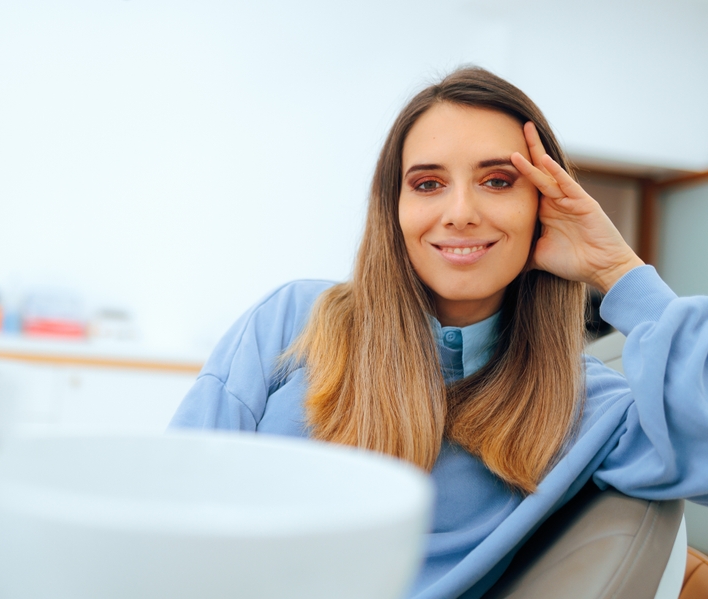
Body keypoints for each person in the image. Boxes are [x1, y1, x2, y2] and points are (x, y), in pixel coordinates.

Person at [169, 67, 708, 599]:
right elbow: (173, 493)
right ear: (395, 209)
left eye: (498, 181)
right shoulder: (293, 321)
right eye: (428, 184)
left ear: (542, 206)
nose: (460, 213)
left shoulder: (592, 408)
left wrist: (618, 269)